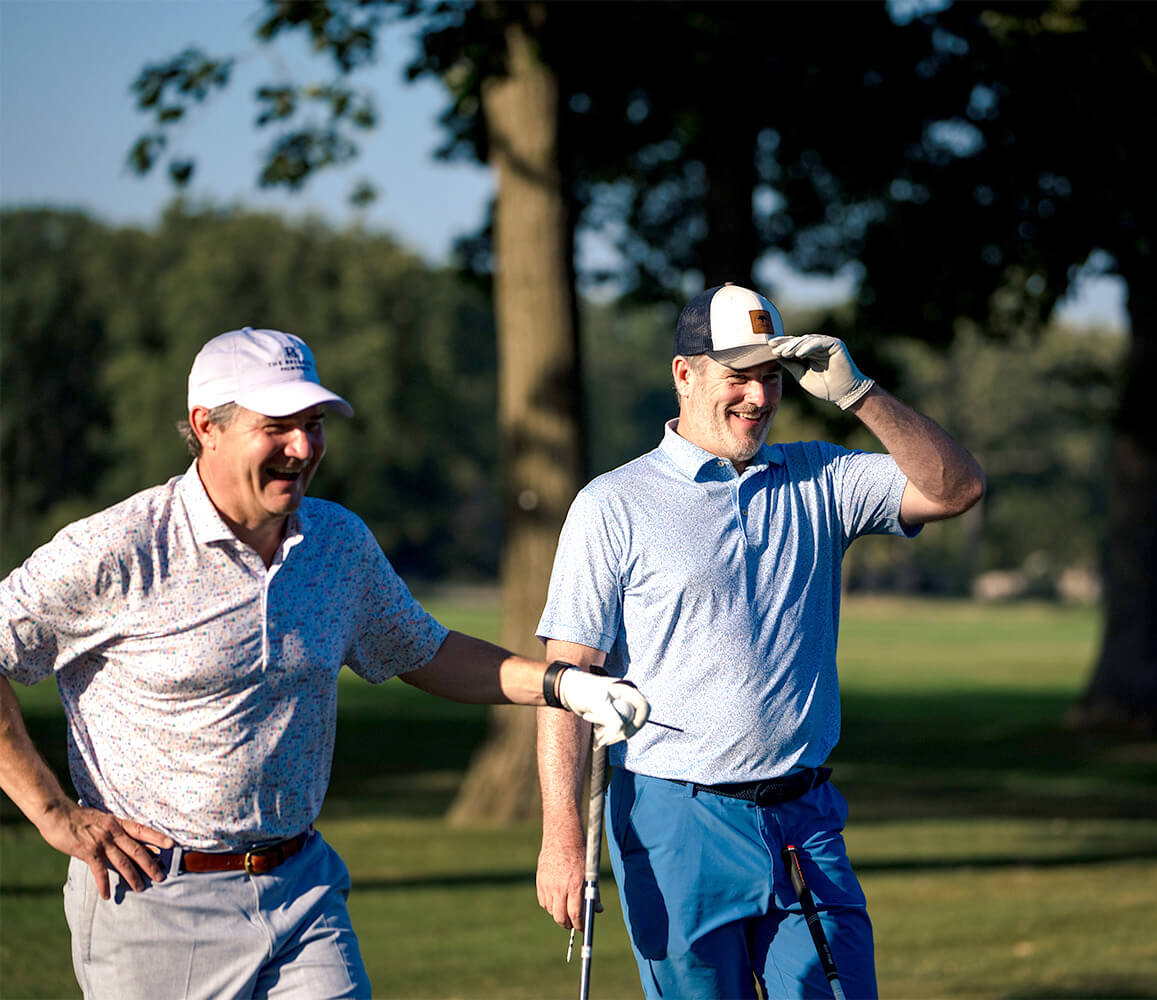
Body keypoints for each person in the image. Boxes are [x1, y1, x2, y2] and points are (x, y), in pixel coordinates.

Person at [0, 327, 650, 1000]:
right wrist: (53, 814)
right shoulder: (120, 548)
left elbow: (426, 651)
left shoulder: (336, 541)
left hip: (301, 888)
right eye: (277, 427)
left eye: (313, 425)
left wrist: (563, 685)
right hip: (156, 902)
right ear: (206, 427)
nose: (304, 448)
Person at [533, 283, 985, 999]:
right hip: (675, 819)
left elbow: (956, 489)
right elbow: (567, 677)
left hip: (804, 820)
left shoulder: (820, 476)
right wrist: (562, 839)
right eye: (738, 375)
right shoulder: (613, 503)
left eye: (771, 376)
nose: (758, 396)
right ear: (685, 374)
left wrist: (860, 394)